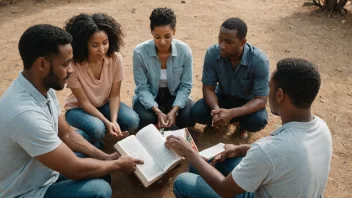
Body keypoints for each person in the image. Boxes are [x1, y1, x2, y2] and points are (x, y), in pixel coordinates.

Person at [0, 24, 143, 198]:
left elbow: (66, 133)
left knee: (99, 169)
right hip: (25, 192)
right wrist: (118, 165)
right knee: (99, 190)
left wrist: (105, 158)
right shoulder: (24, 114)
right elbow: (74, 169)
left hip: (44, 174)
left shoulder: (41, 87)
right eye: (66, 64)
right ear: (42, 64)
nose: (71, 70)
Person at [167, 58, 332, 198]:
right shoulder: (321, 128)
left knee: (183, 182)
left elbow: (224, 189)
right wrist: (240, 149)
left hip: (248, 190)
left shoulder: (270, 149)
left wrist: (190, 152)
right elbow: (281, 157)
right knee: (200, 164)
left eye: (270, 87)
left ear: (280, 95)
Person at [64, 13, 139, 146]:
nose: (102, 49)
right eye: (94, 45)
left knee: (132, 121)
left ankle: (96, 135)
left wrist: (114, 120)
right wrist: (106, 122)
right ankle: (85, 140)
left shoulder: (116, 59)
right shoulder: (73, 66)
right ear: (83, 44)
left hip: (104, 104)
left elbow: (115, 95)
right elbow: (84, 102)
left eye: (105, 43)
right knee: (98, 129)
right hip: (78, 108)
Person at [191, 17, 269, 139]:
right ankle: (219, 120)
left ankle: (241, 125)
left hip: (246, 103)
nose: (222, 46)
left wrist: (232, 113)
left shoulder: (259, 60)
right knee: (197, 112)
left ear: (242, 42)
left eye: (229, 42)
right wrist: (217, 111)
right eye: (220, 39)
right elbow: (208, 88)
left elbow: (261, 100)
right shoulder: (212, 53)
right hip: (222, 98)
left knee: (258, 121)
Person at [132, 7, 195, 130]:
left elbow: (185, 86)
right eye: (157, 37)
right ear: (151, 32)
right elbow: (142, 88)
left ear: (174, 31)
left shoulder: (185, 51)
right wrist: (157, 111)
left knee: (188, 116)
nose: (162, 42)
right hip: (151, 95)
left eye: (167, 36)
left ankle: (163, 125)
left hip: (174, 95)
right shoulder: (140, 52)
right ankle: (163, 122)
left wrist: (175, 110)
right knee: (145, 118)